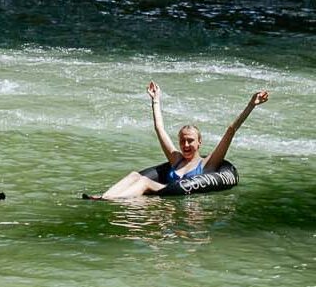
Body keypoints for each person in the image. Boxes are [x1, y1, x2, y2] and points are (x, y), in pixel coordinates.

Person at [87, 83, 269, 200]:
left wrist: (251, 105)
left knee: (144, 182)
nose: (186, 145)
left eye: (190, 141)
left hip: (167, 196)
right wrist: (155, 101)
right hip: (161, 193)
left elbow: (230, 131)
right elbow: (159, 129)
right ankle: (104, 196)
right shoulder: (177, 159)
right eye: (183, 141)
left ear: (199, 143)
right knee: (135, 175)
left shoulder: (208, 164)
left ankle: (111, 202)